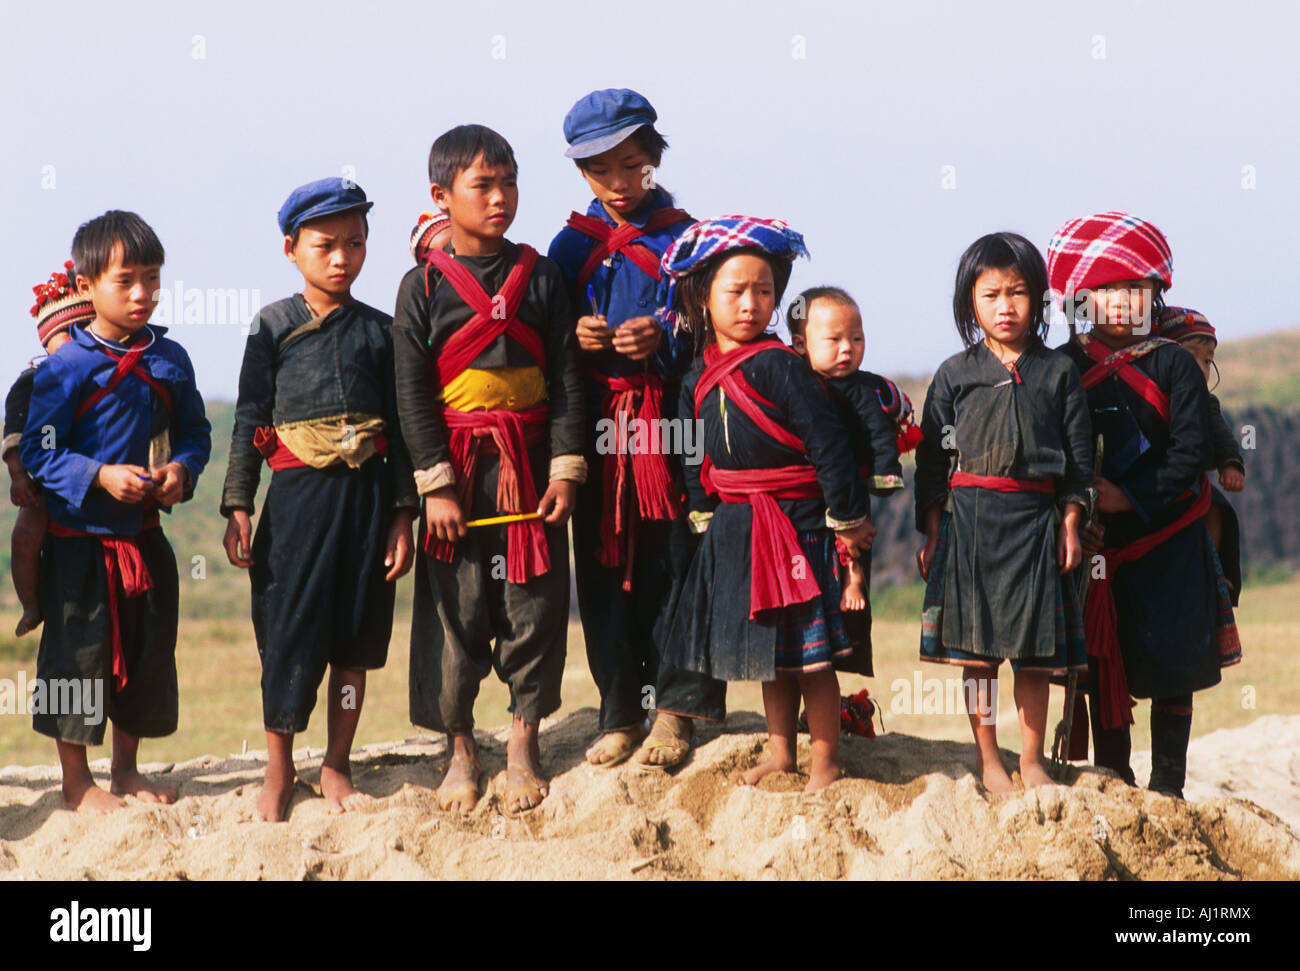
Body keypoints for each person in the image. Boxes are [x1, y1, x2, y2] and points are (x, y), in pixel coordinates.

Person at [393, 124, 585, 814]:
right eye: (483, 185)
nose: (500, 197)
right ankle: (461, 749)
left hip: (530, 467)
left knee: (534, 606)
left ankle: (524, 743)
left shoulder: (543, 276)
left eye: (509, 182)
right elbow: (412, 393)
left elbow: (566, 379)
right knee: (457, 610)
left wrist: (565, 471)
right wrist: (435, 485)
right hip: (460, 470)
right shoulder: (420, 288)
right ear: (442, 196)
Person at [221, 177, 417, 822]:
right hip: (298, 504)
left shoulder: (382, 332)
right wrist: (239, 504)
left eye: (355, 244)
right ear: (291, 248)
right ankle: (279, 770)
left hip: (366, 503)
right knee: (288, 635)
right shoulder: (272, 326)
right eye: (326, 244)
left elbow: (402, 429)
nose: (342, 258)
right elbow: (251, 417)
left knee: (355, 643)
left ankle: (336, 763)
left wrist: (401, 516)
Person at [658, 216, 876, 794]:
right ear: (704, 298)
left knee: (813, 656)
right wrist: (701, 508)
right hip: (738, 527)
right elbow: (688, 447)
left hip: (799, 528)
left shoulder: (783, 365)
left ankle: (825, 760)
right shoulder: (694, 377)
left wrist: (848, 519)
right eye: (736, 291)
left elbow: (826, 441)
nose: (752, 304)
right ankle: (782, 752)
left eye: (763, 291)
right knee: (769, 656)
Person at [547, 87, 726, 770]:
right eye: (601, 171)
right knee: (603, 565)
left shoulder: (690, 239)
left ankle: (678, 712)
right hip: (597, 427)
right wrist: (575, 336)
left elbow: (720, 326)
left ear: (654, 156)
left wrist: (669, 332)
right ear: (582, 175)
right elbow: (543, 340)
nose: (619, 183)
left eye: (632, 164)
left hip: (674, 424)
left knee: (678, 558)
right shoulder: (568, 249)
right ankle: (619, 710)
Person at [20, 210, 211, 812]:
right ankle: (77, 785)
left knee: (148, 653)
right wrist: (98, 475)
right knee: (78, 658)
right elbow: (38, 449)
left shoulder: (171, 360)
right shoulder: (66, 368)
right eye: (125, 281)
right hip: (80, 543)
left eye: (152, 279)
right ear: (85, 287)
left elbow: (195, 431)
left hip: (146, 538)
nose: (142, 294)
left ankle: (126, 771)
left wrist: (182, 470)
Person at [1050, 210, 1242, 799]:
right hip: (1096, 543)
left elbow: (1189, 455)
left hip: (1170, 534)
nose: (1127, 301)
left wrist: (1126, 497)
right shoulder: (1062, 367)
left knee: (1173, 661)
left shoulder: (1175, 364)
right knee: (1106, 660)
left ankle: (1168, 784)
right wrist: (1083, 509)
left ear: (1157, 293)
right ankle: (1113, 776)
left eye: (1139, 288)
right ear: (1081, 298)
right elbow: (1051, 450)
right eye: (1110, 290)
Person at [914, 232, 1092, 793]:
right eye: (990, 294)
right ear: (970, 301)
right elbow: (931, 460)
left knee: (1036, 654)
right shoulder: (953, 374)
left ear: (1038, 299)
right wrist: (933, 529)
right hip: (969, 522)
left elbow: (1080, 459)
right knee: (978, 654)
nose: (1005, 306)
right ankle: (989, 758)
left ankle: (1032, 760)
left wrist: (1070, 523)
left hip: (1037, 520)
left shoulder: (1058, 373)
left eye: (1017, 293)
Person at [787, 285, 902, 634]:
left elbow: (880, 433)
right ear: (800, 345)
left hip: (851, 485)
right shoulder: (792, 384)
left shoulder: (865, 387)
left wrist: (885, 473)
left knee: (853, 537)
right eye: (834, 339)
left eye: (856, 339)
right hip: (805, 495)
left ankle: (854, 580)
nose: (847, 349)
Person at [5, 263, 95, 635]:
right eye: (65, 337)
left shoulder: (104, 380)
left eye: (82, 333)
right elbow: (14, 435)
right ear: (47, 341)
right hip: (43, 491)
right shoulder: (32, 381)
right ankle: (31, 604)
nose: (74, 342)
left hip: (93, 488)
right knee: (25, 539)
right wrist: (18, 477)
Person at [1156, 306, 1244, 603]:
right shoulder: (1145, 396)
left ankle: (1215, 571)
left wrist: (1230, 463)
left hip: (1192, 485)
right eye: (1188, 356)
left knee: (1216, 507)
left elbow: (1222, 436)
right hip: (1152, 484)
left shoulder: (1206, 403)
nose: (1201, 368)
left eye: (1207, 360)